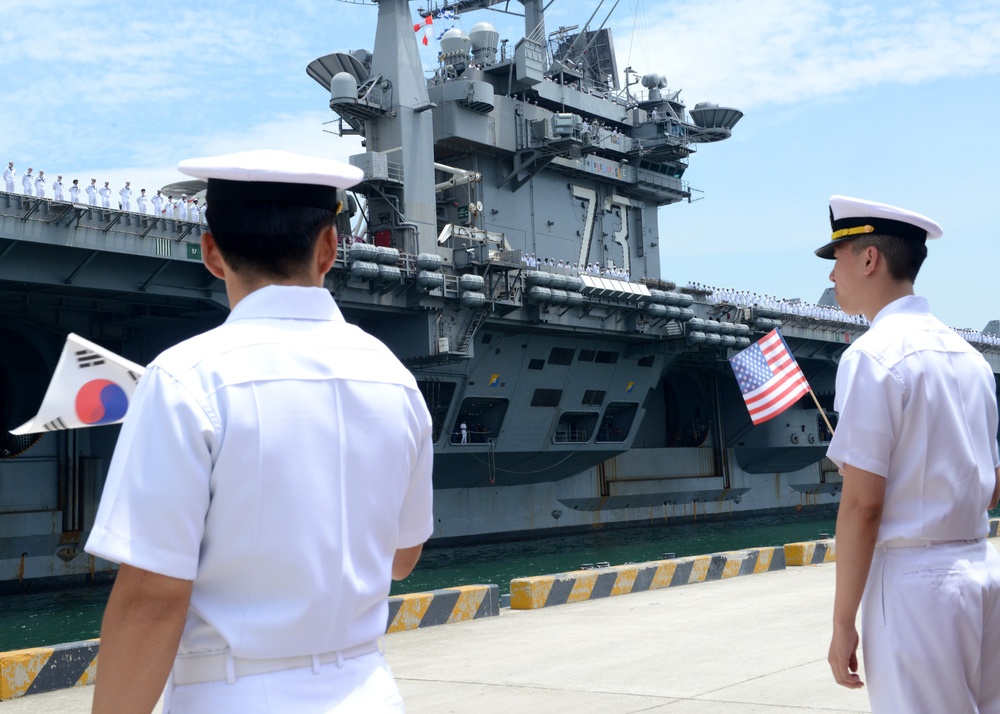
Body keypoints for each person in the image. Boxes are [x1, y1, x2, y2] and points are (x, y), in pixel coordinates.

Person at [85, 149, 434, 714]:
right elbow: (401, 556)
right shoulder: (397, 381)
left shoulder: (183, 378)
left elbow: (152, 595)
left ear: (212, 254)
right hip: (370, 692)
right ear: (329, 248)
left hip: (233, 695)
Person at [820, 195, 1000, 713]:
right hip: (981, 570)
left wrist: (840, 624)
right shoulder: (973, 360)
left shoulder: (872, 356)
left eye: (838, 257)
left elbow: (863, 505)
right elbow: (992, 485)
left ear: (869, 258)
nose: (834, 275)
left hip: (915, 588)